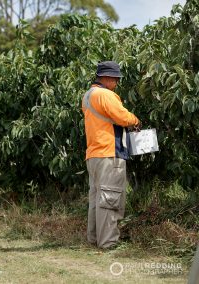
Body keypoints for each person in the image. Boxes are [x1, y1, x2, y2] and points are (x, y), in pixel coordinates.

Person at [82, 61, 141, 249]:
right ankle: (108, 243)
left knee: (97, 199)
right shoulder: (105, 94)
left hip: (94, 154)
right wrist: (136, 120)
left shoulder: (88, 95)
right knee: (110, 198)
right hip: (109, 154)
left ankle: (94, 239)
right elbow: (123, 117)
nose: (116, 83)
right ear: (107, 78)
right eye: (116, 79)